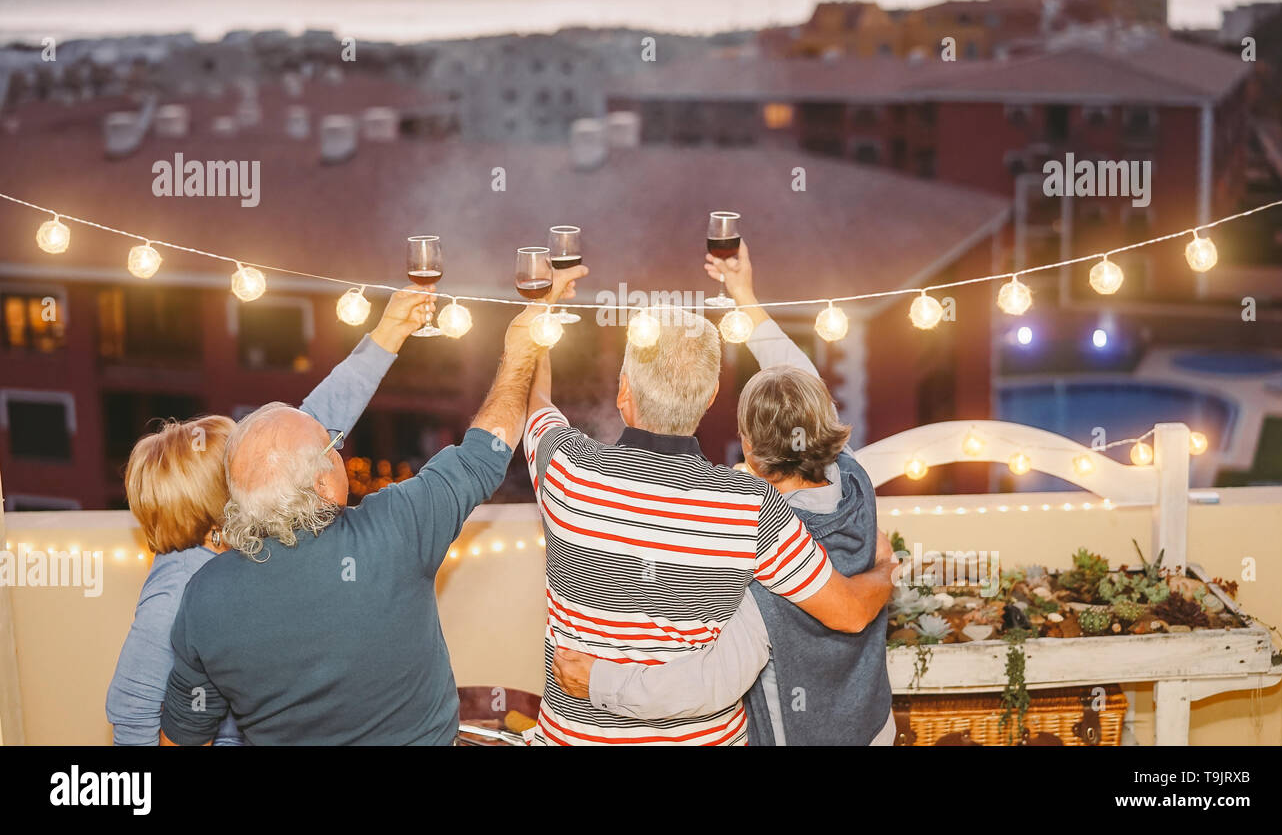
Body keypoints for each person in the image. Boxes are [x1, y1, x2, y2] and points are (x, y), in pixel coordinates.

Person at [158, 267, 586, 745]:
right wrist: (521, 350)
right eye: (332, 446)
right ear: (324, 485)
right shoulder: (396, 531)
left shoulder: (204, 598)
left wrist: (389, 333)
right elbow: (485, 453)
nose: (339, 450)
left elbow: (183, 737)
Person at [551, 240, 898, 745]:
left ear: (750, 449)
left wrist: (600, 681)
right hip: (872, 726)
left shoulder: (773, 546)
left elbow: (711, 681)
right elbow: (804, 386)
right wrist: (745, 298)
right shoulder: (851, 479)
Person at [105, 287, 425, 745]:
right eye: (242, 455)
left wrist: (391, 330)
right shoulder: (175, 593)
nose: (260, 455)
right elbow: (133, 725)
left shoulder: (248, 532)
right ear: (222, 494)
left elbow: (315, 421)